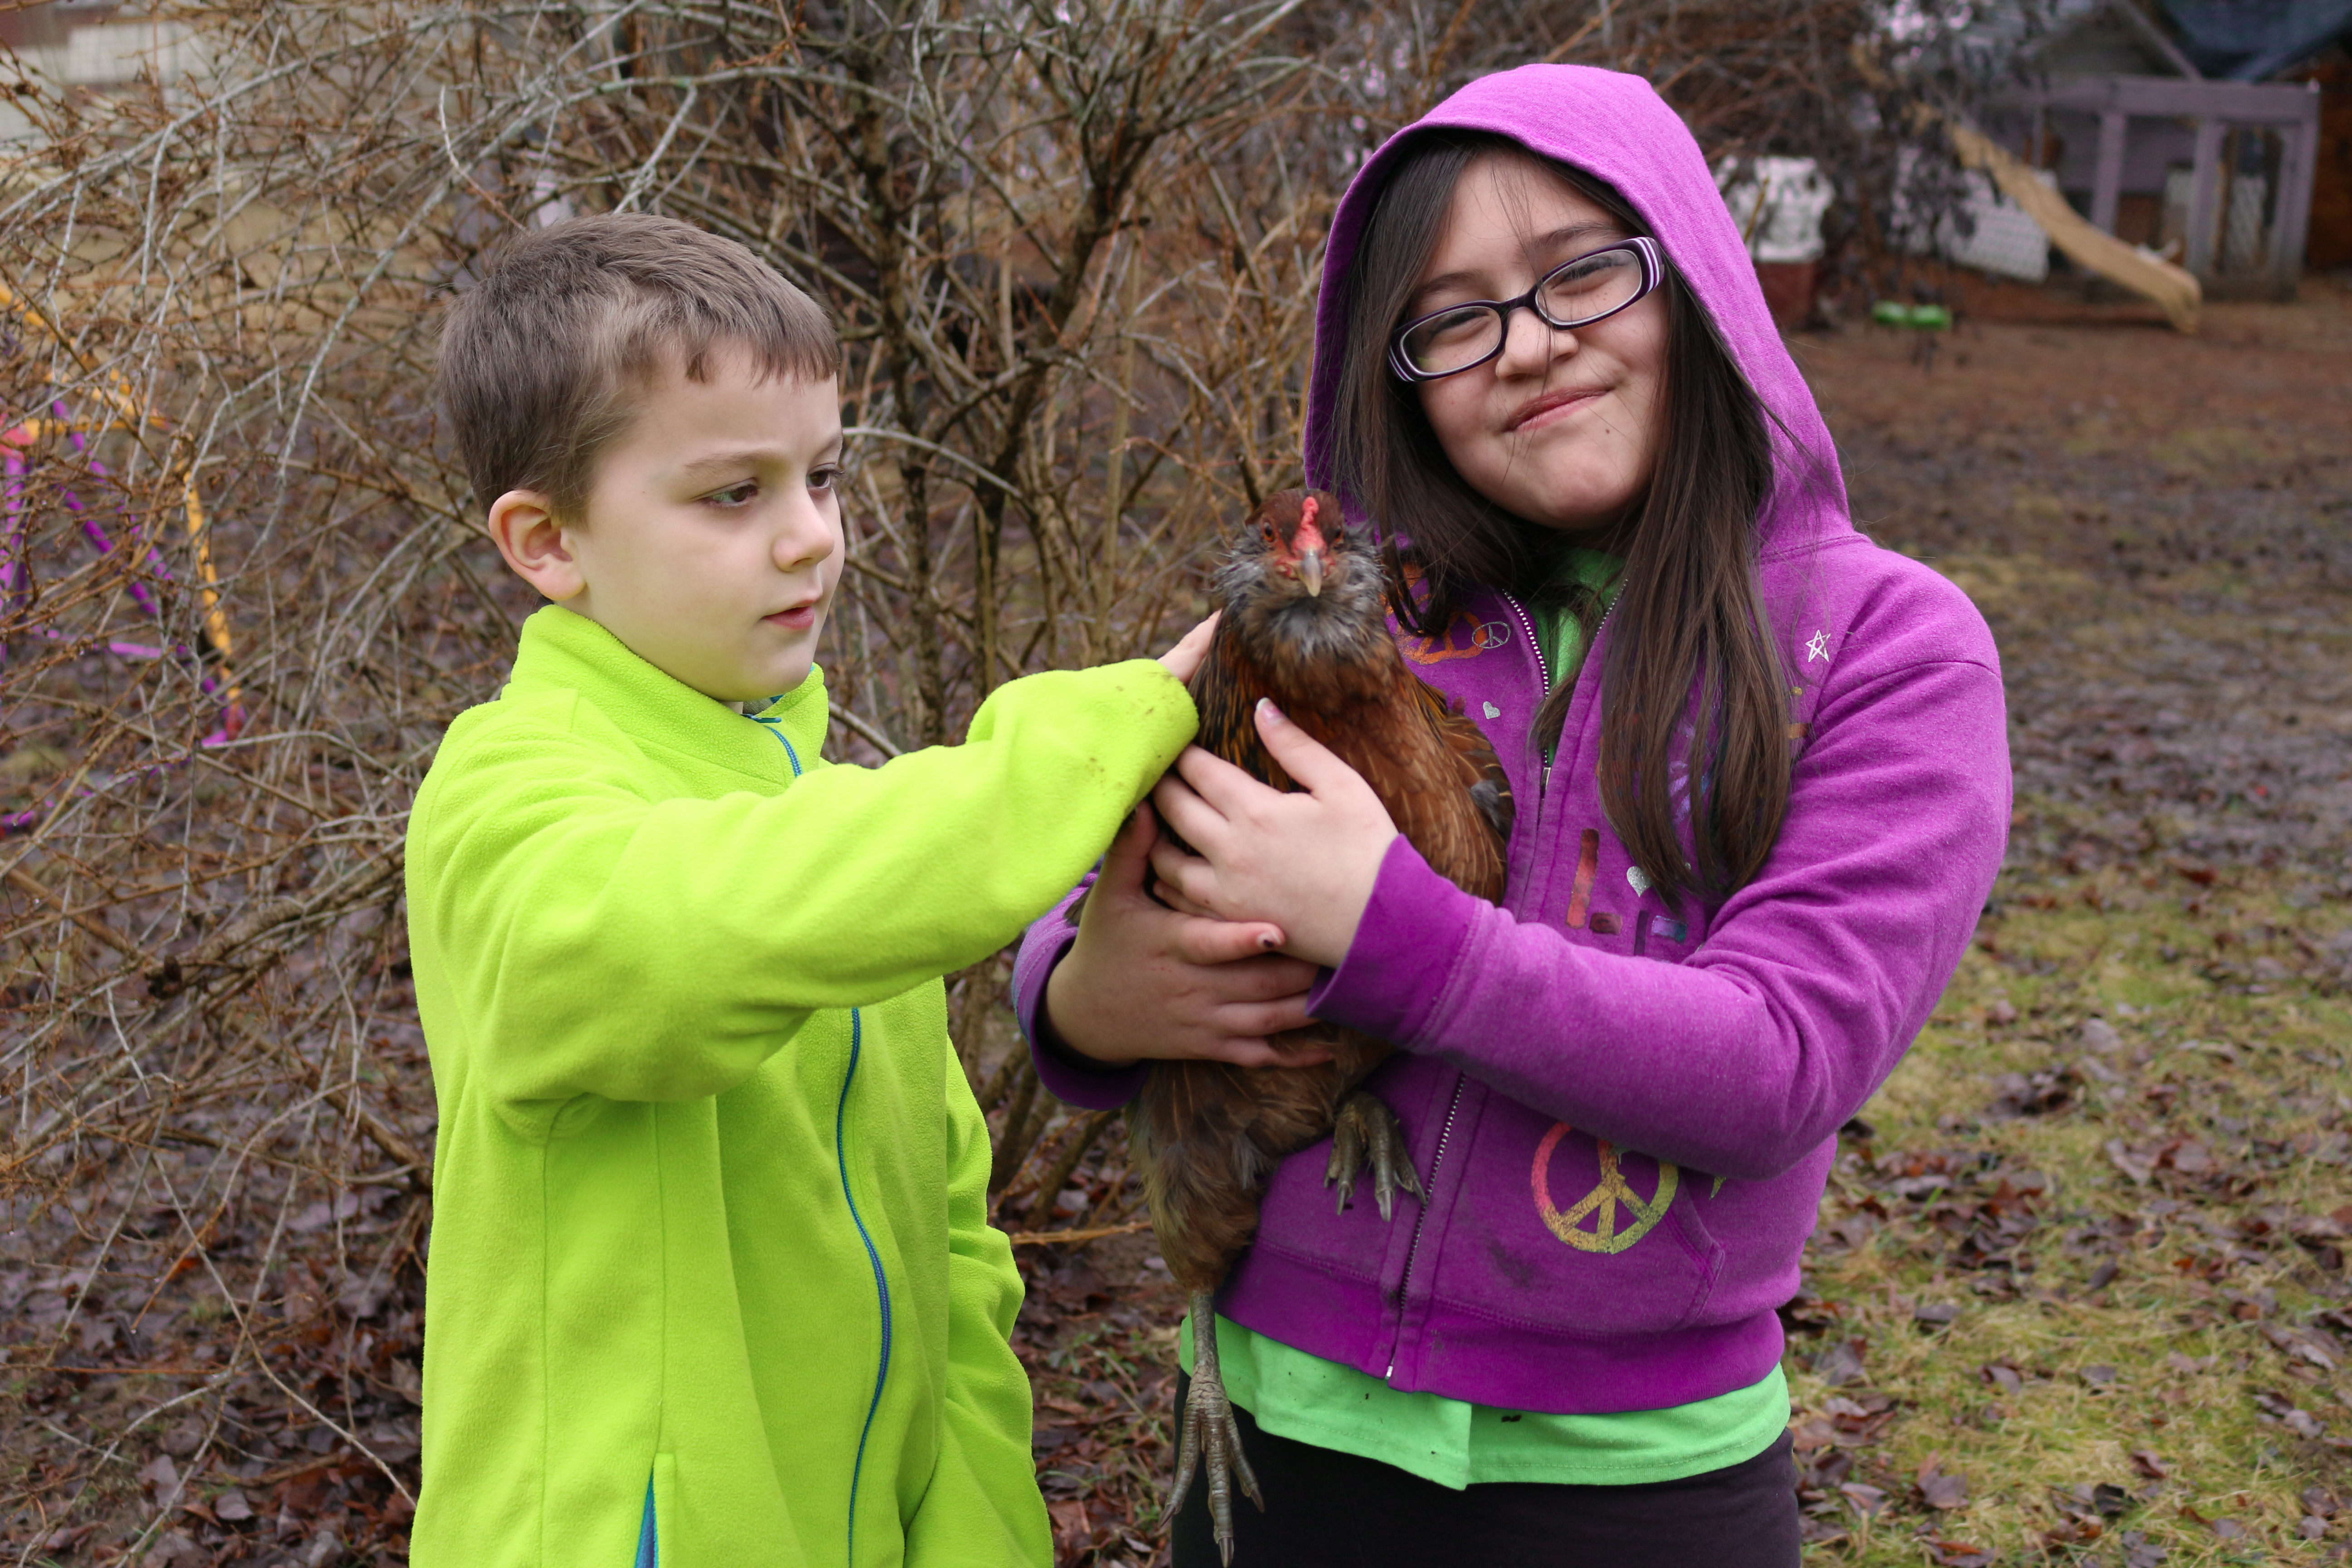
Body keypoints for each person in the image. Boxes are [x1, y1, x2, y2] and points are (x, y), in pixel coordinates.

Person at [1013, 64, 2010, 1567]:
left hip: (1642, 1475)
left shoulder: (1882, 651)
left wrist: (1398, 935)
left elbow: (1783, 1060)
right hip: (1279, 1433)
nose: (1532, 347)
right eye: (1456, 317)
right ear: (1396, 374)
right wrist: (1082, 996)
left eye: (1580, 276)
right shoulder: (1338, 624)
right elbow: (1081, 859)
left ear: (1695, 274)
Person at [407, 211, 1211, 1567]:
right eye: (735, 494)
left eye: (824, 477)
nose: (811, 542)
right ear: (549, 542)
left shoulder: (818, 818)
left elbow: (951, 1240)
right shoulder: (507, 805)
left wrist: (975, 1531)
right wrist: (1095, 739)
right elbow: (694, 929)